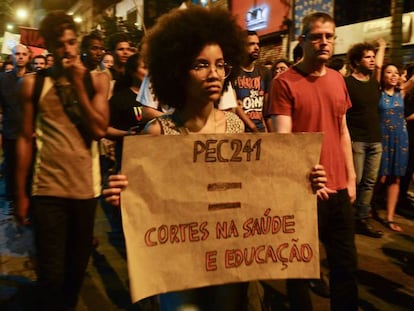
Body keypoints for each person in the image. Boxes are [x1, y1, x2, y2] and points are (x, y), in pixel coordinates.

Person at [104, 7, 328, 310]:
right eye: (201, 65)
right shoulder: (156, 132)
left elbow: (262, 186)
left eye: (221, 65)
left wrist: (303, 181)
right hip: (178, 265)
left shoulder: (236, 127)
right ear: (177, 70)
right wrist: (124, 194)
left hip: (229, 259)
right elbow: (140, 202)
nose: (214, 74)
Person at [15, 11, 109, 311]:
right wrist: (20, 195)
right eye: (60, 44)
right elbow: (24, 138)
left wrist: (78, 86)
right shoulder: (33, 84)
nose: (67, 49)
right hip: (47, 192)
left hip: (85, 192)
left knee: (75, 274)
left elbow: (97, 130)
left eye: (71, 42)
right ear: (50, 49)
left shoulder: (97, 80)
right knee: (51, 275)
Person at [269, 12, 358, 311]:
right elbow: (284, 142)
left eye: (329, 36)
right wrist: (303, 177)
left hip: (339, 189)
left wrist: (351, 177)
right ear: (302, 40)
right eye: (317, 36)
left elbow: (342, 131)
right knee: (298, 267)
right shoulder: (284, 83)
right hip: (304, 191)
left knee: (346, 266)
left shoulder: (337, 80)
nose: (324, 42)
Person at [345, 41, 385, 238]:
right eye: (368, 57)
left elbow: (379, 67)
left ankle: (362, 219)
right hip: (356, 140)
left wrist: (382, 48)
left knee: (369, 182)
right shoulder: (347, 83)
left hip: (375, 140)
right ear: (356, 61)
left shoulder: (374, 82)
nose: (372, 60)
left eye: (373, 56)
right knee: (356, 180)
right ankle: (346, 219)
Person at [376, 63, 414, 232]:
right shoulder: (378, 93)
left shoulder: (402, 92)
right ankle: (367, 205)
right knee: (380, 177)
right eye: (389, 72)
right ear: (383, 76)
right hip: (383, 139)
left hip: (400, 139)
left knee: (395, 178)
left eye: (396, 73)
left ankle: (390, 217)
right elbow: (377, 67)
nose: (393, 75)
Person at [0, 44, 30, 212]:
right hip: (10, 132)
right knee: (11, 167)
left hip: (29, 133)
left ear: (28, 57)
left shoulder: (34, 78)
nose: (20, 57)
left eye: (23, 54)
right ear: (11, 56)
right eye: (17, 54)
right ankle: (13, 201)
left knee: (28, 168)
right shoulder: (3, 79)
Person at [234, 30, 272, 133]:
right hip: (241, 133)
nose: (256, 48)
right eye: (251, 44)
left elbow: (266, 111)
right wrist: (253, 128)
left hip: (261, 131)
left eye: (258, 44)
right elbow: (233, 105)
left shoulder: (265, 73)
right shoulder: (233, 72)